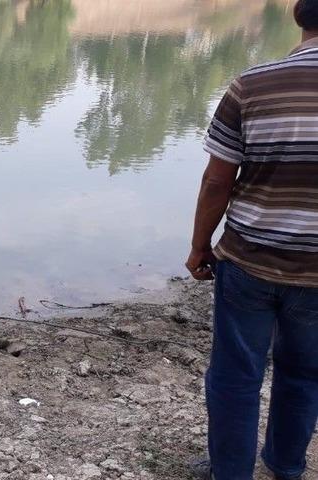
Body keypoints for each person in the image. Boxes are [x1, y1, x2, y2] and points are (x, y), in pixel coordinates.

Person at [187, 1, 318, 478]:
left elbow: (217, 181)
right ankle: (285, 467)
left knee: (236, 375)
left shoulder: (252, 84)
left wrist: (200, 247)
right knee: (304, 373)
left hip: (249, 261)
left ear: (300, 18)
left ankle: (230, 470)